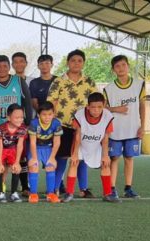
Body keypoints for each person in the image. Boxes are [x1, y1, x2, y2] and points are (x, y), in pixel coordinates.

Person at [48, 49, 98, 198]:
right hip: (63, 125)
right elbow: (52, 102)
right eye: (73, 60)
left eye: (79, 61)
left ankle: (84, 189)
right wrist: (54, 122)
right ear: (67, 62)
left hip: (84, 126)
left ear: (83, 63)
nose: (76, 63)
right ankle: (55, 189)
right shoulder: (59, 81)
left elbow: (96, 101)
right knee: (61, 158)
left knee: (82, 158)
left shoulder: (89, 81)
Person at [63, 93, 119, 203]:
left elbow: (106, 137)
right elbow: (78, 135)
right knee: (73, 163)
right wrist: (74, 154)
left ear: (104, 105)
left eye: (99, 107)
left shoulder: (107, 116)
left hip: (97, 144)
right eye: (93, 107)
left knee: (105, 164)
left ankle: (107, 194)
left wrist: (105, 155)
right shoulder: (80, 114)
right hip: (81, 143)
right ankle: (69, 193)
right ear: (88, 106)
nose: (96, 110)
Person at [0, 54, 33, 197]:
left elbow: (27, 101)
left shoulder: (18, 81)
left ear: (9, 67)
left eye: (5, 66)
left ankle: (24, 187)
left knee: (19, 157)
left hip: (16, 127)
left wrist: (26, 122)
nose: (2, 69)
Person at [104, 55, 145, 200]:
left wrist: (143, 126)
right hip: (115, 130)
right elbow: (103, 109)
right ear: (113, 69)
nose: (121, 68)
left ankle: (128, 188)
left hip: (133, 129)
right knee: (114, 158)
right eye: (117, 66)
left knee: (129, 158)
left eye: (123, 65)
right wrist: (116, 109)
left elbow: (142, 105)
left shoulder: (139, 85)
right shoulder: (109, 89)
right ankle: (112, 188)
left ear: (128, 66)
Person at [27, 101, 62, 203]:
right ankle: (33, 194)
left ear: (53, 114)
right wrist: (34, 158)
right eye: (44, 115)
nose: (47, 117)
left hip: (49, 149)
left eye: (50, 114)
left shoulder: (56, 123)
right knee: (34, 167)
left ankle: (50, 194)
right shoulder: (34, 123)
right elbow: (32, 142)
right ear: (39, 115)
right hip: (36, 149)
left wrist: (52, 158)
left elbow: (57, 142)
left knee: (51, 166)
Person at [0, 104, 28, 203]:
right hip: (2, 151)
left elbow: (20, 145)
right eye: (17, 117)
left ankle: (14, 193)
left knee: (16, 169)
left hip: (13, 151)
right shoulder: (1, 129)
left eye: (21, 117)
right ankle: (0, 193)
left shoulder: (23, 128)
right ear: (8, 117)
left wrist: (17, 162)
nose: (20, 120)